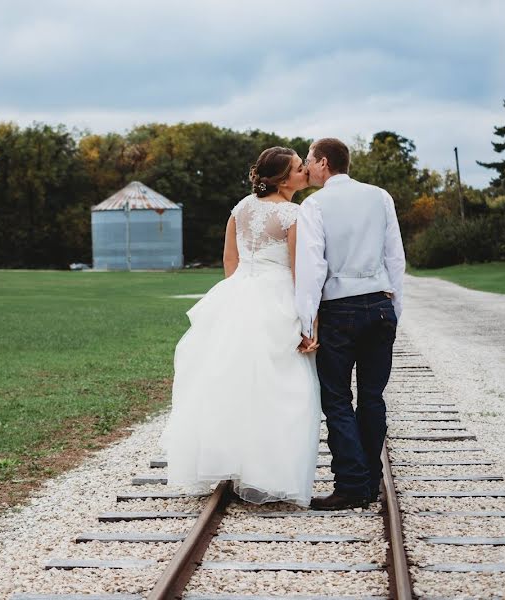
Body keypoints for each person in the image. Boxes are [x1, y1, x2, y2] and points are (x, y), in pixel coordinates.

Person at [160, 147, 322, 506]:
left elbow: (230, 259)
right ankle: (267, 471)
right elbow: (301, 273)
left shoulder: (240, 208)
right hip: (277, 296)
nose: (305, 172)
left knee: (227, 380)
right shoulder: (294, 215)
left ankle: (231, 459)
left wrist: (239, 296)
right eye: (299, 168)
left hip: (237, 293)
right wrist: (309, 322)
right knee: (281, 386)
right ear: (283, 180)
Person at [295, 137, 406, 510]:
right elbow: (395, 258)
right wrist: (395, 308)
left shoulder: (315, 205)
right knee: (372, 398)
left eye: (309, 161)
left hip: (339, 310)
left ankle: (352, 484)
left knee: (337, 399)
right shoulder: (380, 196)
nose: (306, 168)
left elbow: (313, 266)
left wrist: (306, 320)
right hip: (379, 306)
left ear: (324, 162)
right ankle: (369, 479)